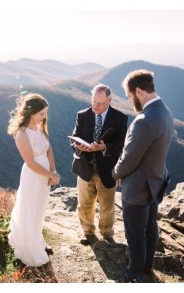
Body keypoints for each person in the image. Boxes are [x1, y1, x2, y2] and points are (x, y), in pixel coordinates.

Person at [112, 70, 174, 283]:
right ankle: (147, 266)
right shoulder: (165, 111)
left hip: (138, 188)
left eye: (130, 96)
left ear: (139, 91)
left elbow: (129, 158)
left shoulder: (144, 120)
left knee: (135, 236)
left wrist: (114, 173)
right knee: (150, 228)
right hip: (155, 182)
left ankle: (134, 274)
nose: (130, 101)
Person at [6, 93, 60, 267]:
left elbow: (49, 150)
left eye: (45, 113)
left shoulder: (40, 127)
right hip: (33, 175)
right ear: (30, 112)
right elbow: (30, 162)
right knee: (31, 209)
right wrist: (50, 175)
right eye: (41, 114)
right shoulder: (22, 134)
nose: (44, 117)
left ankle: (38, 240)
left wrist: (54, 171)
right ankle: (31, 247)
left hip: (45, 174)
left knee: (40, 208)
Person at [70, 84, 128, 245]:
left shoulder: (120, 118)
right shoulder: (82, 115)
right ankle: (88, 233)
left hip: (107, 169)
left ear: (109, 100)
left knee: (107, 206)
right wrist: (78, 146)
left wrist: (105, 147)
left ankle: (107, 234)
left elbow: (122, 144)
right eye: (93, 102)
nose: (95, 106)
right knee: (84, 204)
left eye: (99, 103)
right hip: (85, 167)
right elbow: (74, 137)